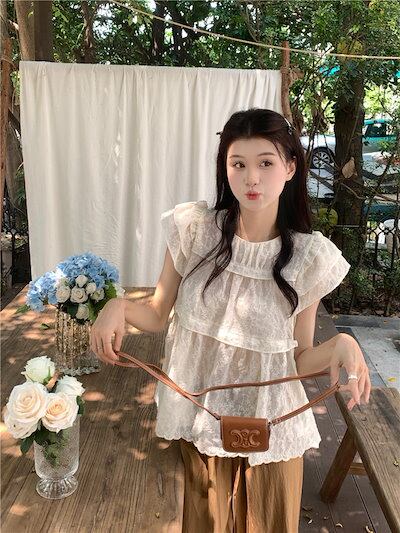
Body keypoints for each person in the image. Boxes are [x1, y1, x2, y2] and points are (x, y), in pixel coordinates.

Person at [90, 108, 371, 533]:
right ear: (225, 168)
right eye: (238, 164)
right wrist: (118, 306)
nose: (251, 178)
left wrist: (343, 344)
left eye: (265, 163)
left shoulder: (308, 257)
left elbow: (299, 359)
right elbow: (156, 313)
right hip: (201, 422)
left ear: (290, 168)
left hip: (273, 432)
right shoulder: (195, 231)